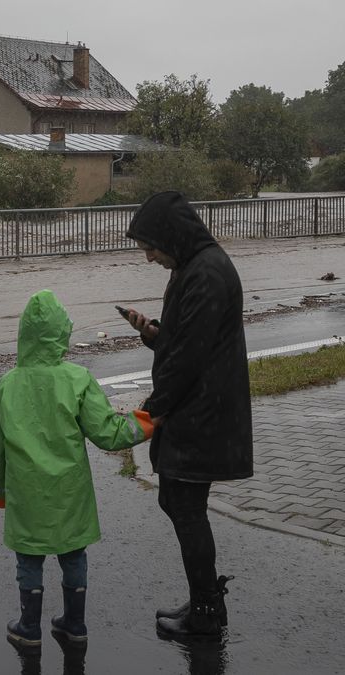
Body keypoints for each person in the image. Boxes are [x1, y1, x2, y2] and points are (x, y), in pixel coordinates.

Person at [0, 289, 155, 651]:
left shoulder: (8, 384)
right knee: (73, 554)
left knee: (29, 558)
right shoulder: (77, 379)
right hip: (69, 490)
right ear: (62, 333)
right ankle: (74, 623)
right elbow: (108, 433)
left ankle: (29, 627)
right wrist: (146, 422)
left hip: (27, 491)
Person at [120, 191, 253, 638]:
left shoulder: (207, 274)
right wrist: (154, 333)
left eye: (150, 244)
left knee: (185, 506)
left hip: (204, 412)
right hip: (198, 408)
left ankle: (207, 613)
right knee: (177, 502)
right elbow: (185, 342)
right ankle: (205, 602)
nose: (148, 254)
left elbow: (190, 359)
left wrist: (149, 412)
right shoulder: (192, 267)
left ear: (171, 235)